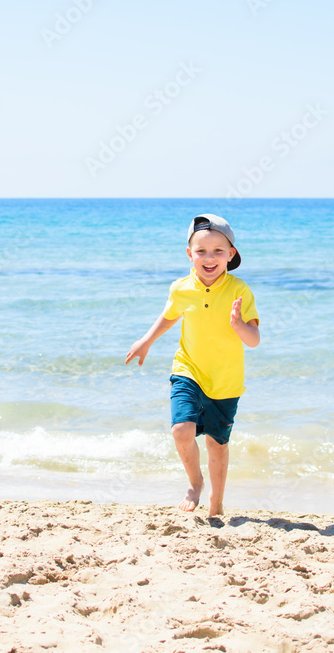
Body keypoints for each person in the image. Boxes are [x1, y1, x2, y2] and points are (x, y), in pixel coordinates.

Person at [125, 214, 260, 516]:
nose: (209, 258)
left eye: (217, 251)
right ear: (190, 254)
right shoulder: (180, 287)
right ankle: (195, 482)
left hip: (225, 381)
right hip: (188, 369)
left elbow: (253, 340)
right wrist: (147, 340)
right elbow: (171, 315)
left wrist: (239, 325)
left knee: (217, 444)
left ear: (231, 254)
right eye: (201, 251)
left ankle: (217, 500)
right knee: (181, 430)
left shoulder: (240, 291)